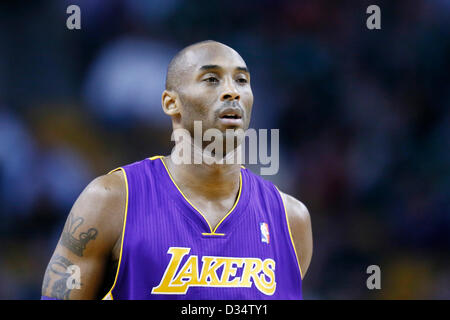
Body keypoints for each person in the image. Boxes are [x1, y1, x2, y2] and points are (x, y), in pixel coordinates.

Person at [41, 40, 313, 300]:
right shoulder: (110, 201)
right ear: (172, 103)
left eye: (241, 80)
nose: (233, 92)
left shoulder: (291, 219)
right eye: (211, 80)